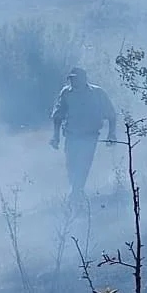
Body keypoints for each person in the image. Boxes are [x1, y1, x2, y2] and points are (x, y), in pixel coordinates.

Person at [49, 65, 118, 201]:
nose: (73, 82)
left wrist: (111, 133)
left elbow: (111, 114)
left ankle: (75, 192)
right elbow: (58, 115)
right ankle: (76, 191)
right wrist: (55, 136)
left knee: (84, 163)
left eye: (76, 79)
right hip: (71, 135)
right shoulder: (66, 93)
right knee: (71, 165)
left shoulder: (97, 93)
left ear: (84, 79)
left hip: (89, 136)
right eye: (71, 79)